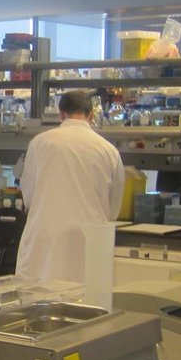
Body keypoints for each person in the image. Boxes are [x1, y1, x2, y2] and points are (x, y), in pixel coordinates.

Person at [15, 90, 124, 282]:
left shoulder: (39, 143)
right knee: (85, 296)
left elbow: (29, 196)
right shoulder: (108, 150)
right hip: (88, 242)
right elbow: (114, 208)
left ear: (61, 114)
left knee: (40, 294)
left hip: (45, 241)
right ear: (91, 115)